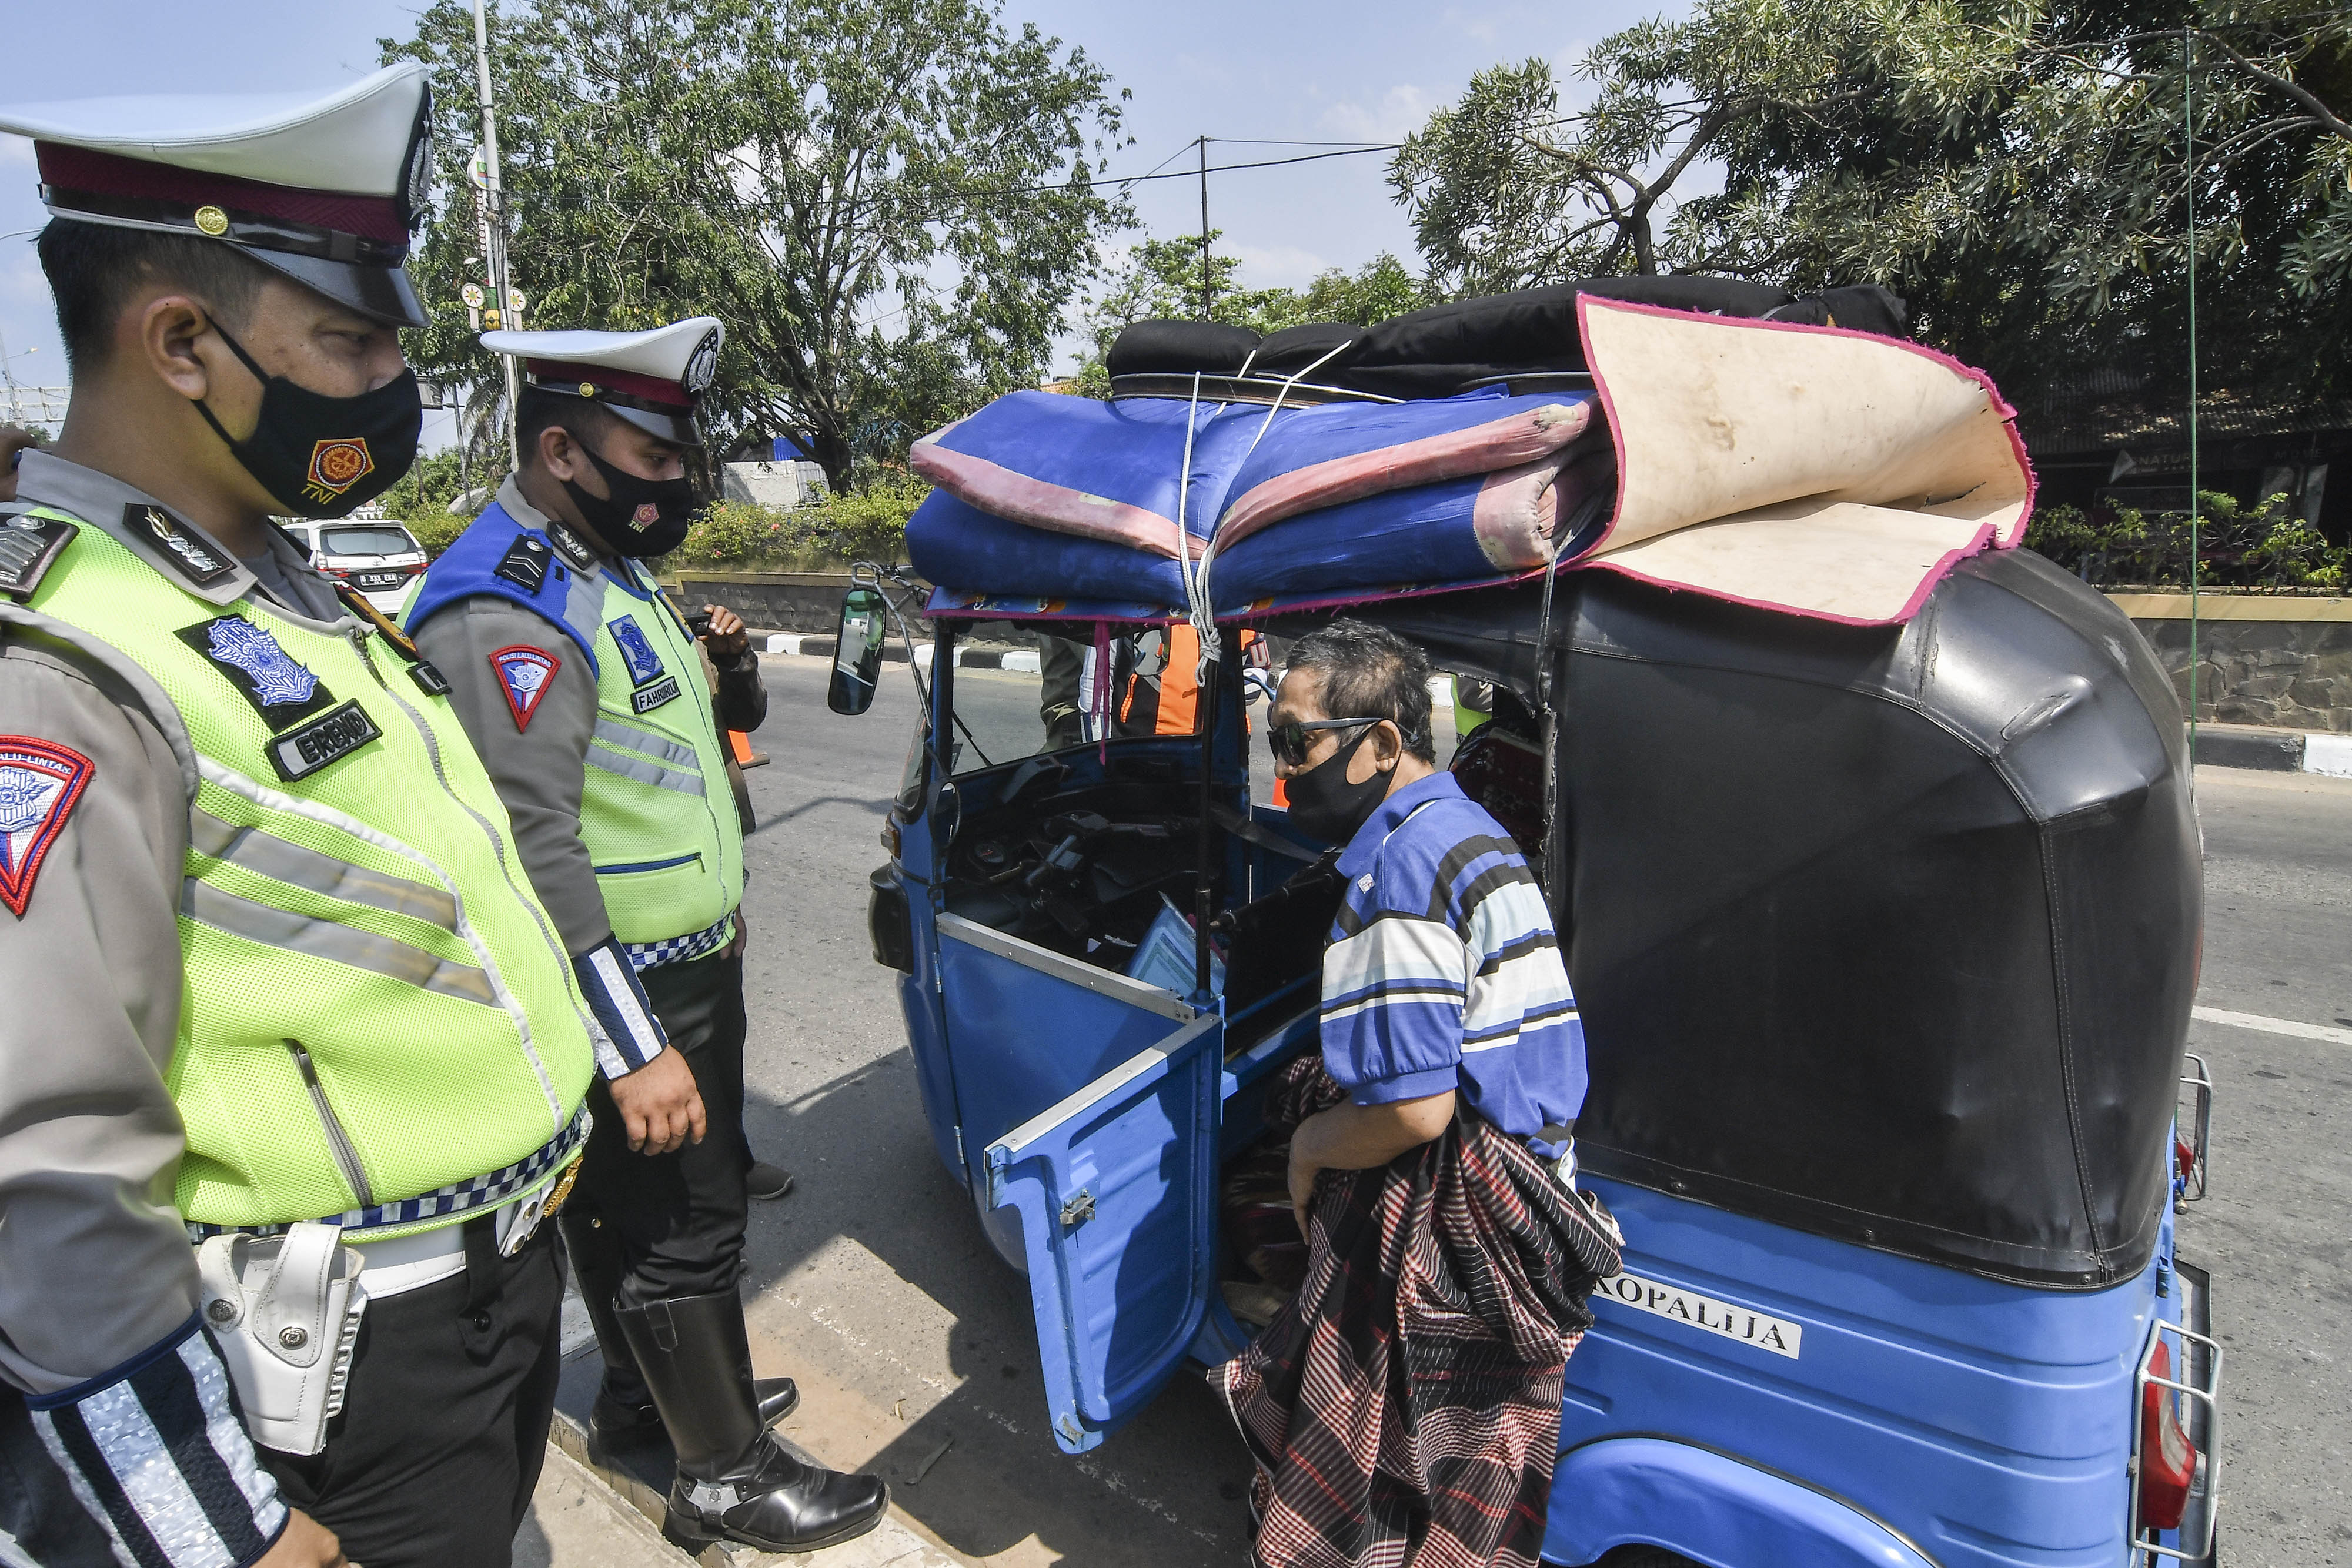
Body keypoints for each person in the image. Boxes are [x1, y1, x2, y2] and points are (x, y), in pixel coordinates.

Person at [0, 65, 599, 1568]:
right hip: (329, 1374)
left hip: (480, 1303)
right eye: (350, 336)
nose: (389, 382)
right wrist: (212, 1527)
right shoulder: (61, 662)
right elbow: (38, 1159)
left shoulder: (270, 576)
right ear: (182, 343)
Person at [403, 322, 886, 1554]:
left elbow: (684, 739)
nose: (678, 479)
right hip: (624, 985)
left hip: (682, 965)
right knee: (682, 1220)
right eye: (650, 453)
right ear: (561, 447)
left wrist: (727, 663)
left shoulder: (600, 563)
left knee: (648, 1213)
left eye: (683, 452)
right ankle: (722, 1470)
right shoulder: (507, 598)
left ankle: (648, 1402)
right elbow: (527, 846)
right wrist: (628, 1047)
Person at [1217, 618, 1622, 1568]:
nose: (1284, 766)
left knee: (1372, 1489)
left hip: (1463, 1217)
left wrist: (1311, 1150)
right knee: (1452, 1494)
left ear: (1383, 746)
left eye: (1298, 741)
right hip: (1537, 1183)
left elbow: (1414, 1111)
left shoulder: (1397, 875)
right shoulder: (1464, 828)